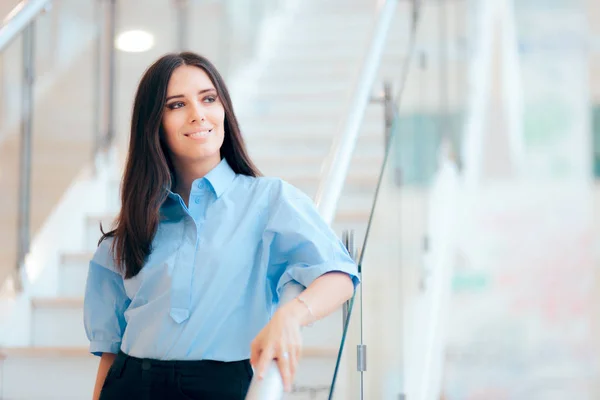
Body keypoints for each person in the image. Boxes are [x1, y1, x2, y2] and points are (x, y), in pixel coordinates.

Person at [84, 52, 359, 400]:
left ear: (224, 108)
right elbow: (111, 351)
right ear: (154, 123)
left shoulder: (268, 199)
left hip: (224, 386)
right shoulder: (134, 226)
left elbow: (339, 275)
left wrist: (290, 316)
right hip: (132, 383)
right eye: (176, 105)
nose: (198, 113)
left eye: (208, 98)